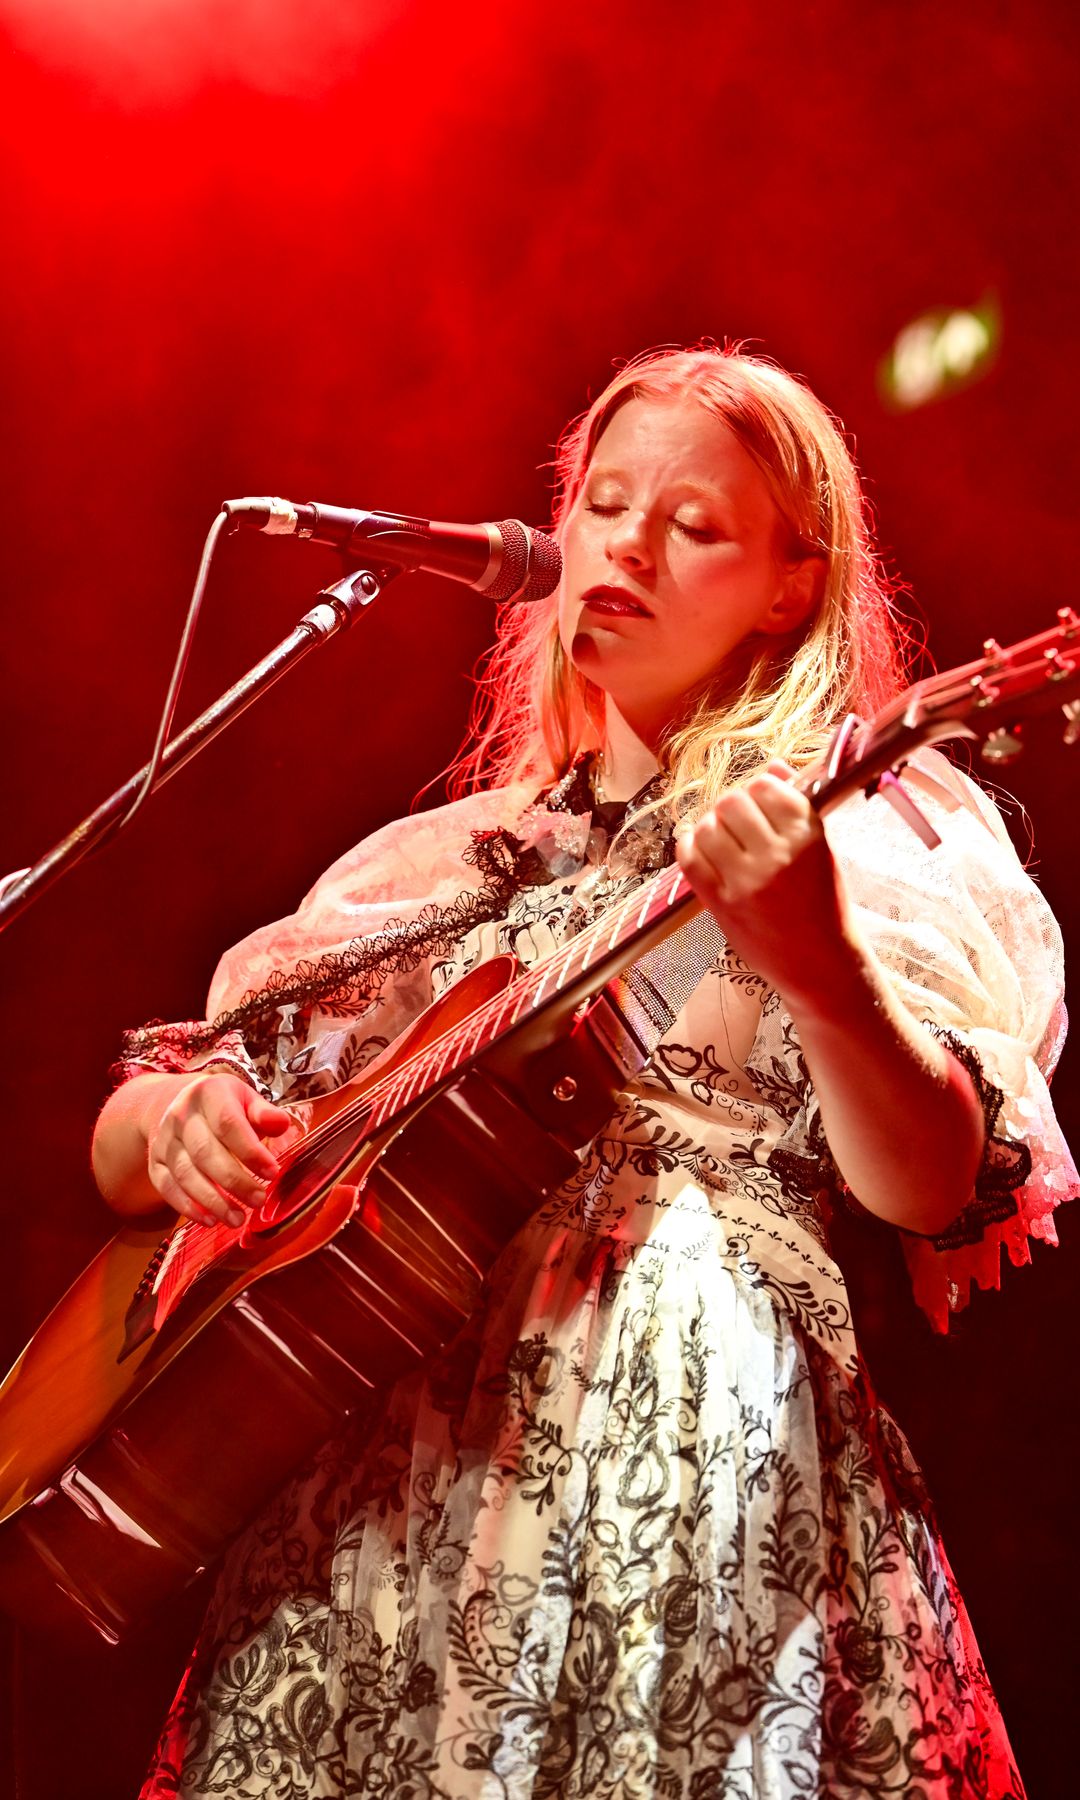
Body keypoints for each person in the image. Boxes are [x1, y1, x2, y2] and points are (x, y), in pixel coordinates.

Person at [92, 346, 1075, 1799]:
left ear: (794, 583)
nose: (623, 542)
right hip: (375, 1497)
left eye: (695, 523)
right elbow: (131, 1126)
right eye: (604, 504)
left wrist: (818, 957)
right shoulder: (447, 862)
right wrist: (173, 1122)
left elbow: (935, 1186)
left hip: (680, 1448)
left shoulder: (873, 834)